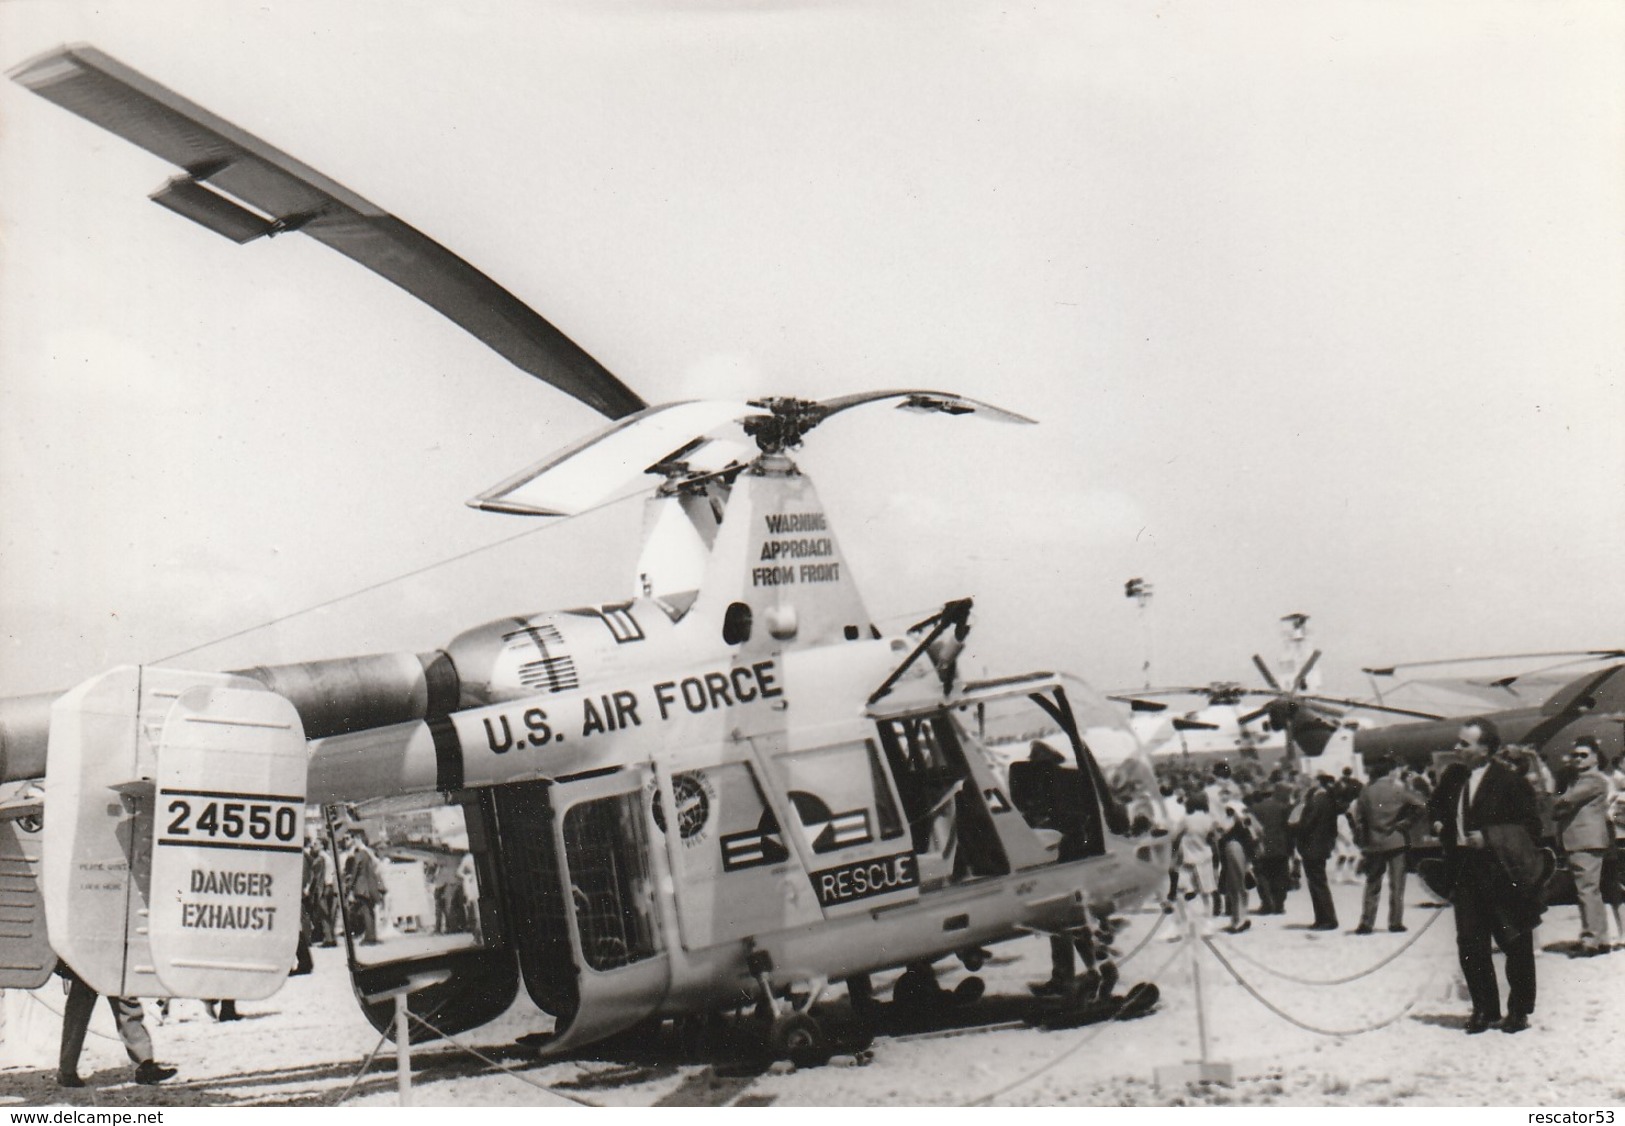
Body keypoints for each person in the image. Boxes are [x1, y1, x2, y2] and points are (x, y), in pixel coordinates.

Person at [1428, 717, 1547, 1034]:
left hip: (1502, 875)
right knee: (1470, 943)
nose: (1456, 748)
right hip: (1465, 874)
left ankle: (1519, 1011)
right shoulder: (1453, 777)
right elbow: (1436, 807)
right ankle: (1484, 1009)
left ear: (1486, 748)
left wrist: (1491, 837)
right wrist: (1440, 824)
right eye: (1458, 741)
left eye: (1464, 744)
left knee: (1515, 944)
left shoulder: (1511, 781)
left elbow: (1532, 829)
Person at [55, 964, 176, 1088]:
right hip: (87, 959)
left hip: (112, 959)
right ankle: (66, 1071)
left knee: (127, 1004)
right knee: (79, 1011)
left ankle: (145, 1066)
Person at [1551, 735, 1611, 956]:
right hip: (1583, 840)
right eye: (1575, 755)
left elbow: (1565, 801)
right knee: (1590, 891)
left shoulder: (1592, 780)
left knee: (1586, 890)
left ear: (1595, 758)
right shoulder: (1580, 780)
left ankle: (1591, 940)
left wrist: (1558, 801)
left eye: (1583, 755)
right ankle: (1599, 938)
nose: (1577, 759)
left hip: (1585, 840)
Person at [1352, 757, 1426, 934]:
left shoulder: (1366, 790)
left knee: (1372, 883)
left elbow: (1359, 817)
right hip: (1396, 840)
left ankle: (1366, 922)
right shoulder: (1398, 789)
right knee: (1397, 884)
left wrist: (1363, 838)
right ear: (1391, 771)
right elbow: (1421, 805)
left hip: (1374, 842)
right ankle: (1395, 922)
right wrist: (1406, 823)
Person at [1294, 774, 1341, 931]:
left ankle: (1326, 919)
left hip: (1312, 846)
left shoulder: (1317, 800)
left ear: (1318, 783)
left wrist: (1295, 828)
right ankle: (1322, 918)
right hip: (1320, 846)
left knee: (1317, 884)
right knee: (1318, 882)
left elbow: (1308, 823)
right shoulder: (1327, 798)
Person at [1247, 781, 1295, 915]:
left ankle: (1267, 904)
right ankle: (1279, 905)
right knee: (1280, 874)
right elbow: (1290, 829)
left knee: (1262, 875)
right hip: (1280, 846)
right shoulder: (1284, 807)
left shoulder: (1254, 808)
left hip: (1261, 846)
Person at [342, 830, 383, 945]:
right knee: (369, 911)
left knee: (365, 912)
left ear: (358, 840)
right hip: (370, 886)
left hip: (361, 887)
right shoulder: (368, 853)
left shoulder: (359, 854)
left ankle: (369, 937)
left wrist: (349, 887)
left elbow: (355, 872)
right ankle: (372, 935)